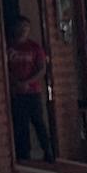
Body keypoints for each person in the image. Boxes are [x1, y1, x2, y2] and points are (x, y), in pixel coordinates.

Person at [8, 26, 53, 164]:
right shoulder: (10, 47)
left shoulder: (34, 47)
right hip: (17, 91)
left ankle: (48, 151)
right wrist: (15, 82)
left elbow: (41, 69)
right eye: (20, 27)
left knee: (38, 121)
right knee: (20, 123)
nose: (22, 31)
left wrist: (28, 82)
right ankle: (23, 154)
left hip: (33, 91)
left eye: (26, 28)